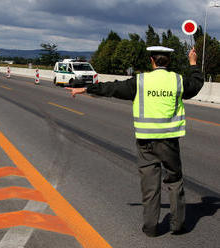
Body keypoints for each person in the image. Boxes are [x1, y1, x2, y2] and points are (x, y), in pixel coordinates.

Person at [66, 46, 204, 237]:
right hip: (170, 143)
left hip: (146, 142)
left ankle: (151, 228)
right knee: (174, 181)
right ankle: (178, 225)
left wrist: (86, 88)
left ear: (152, 61)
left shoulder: (140, 81)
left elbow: (112, 88)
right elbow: (196, 84)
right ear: (169, 61)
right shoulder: (178, 81)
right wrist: (193, 63)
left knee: (150, 186)